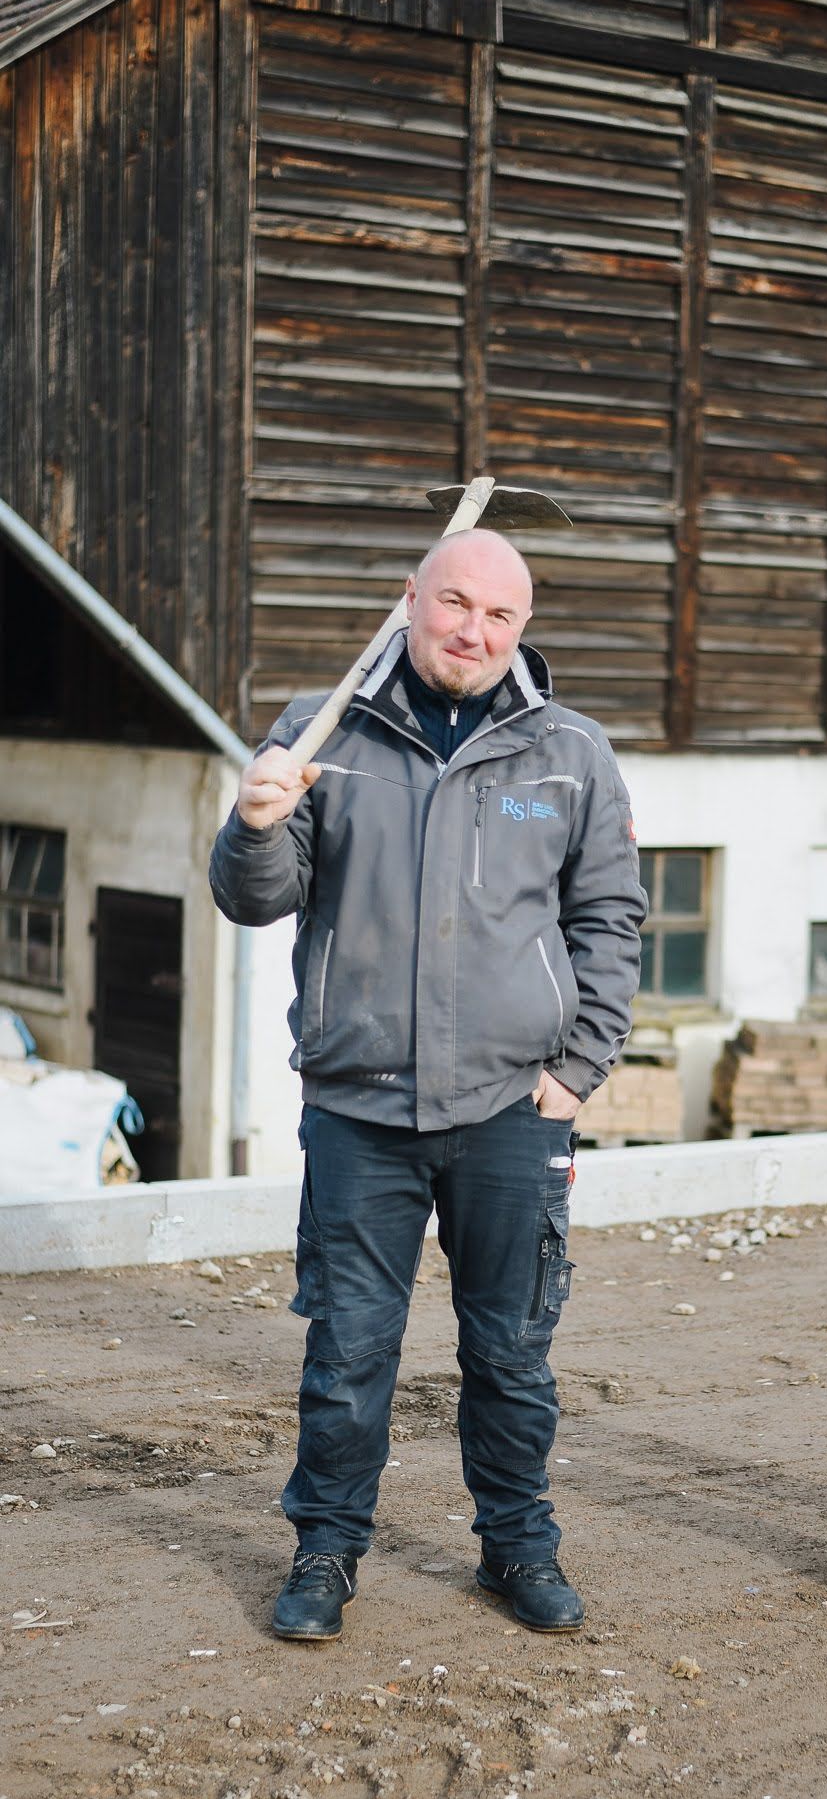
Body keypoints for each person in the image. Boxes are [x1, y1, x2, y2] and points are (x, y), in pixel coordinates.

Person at [209, 528, 647, 1640]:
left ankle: (518, 1547)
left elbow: (608, 917)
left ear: (522, 627)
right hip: (358, 1106)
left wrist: (578, 1069)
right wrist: (255, 823)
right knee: (348, 1350)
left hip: (511, 1109)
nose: (473, 630)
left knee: (511, 1352)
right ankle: (325, 1550)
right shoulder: (324, 729)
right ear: (411, 598)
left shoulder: (569, 751)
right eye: (455, 602)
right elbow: (256, 897)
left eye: (500, 614)